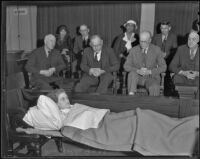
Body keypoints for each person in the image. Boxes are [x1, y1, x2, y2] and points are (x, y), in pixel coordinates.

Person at [16, 89, 199, 156]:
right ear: (56, 105)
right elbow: (60, 132)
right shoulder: (63, 122)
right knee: (148, 125)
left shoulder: (73, 108)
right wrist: (32, 132)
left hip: (111, 118)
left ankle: (187, 126)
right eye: (62, 100)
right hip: (110, 129)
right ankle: (187, 136)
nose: (66, 101)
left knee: (150, 117)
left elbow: (97, 114)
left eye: (65, 98)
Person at [124, 31, 167, 96]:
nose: (142, 44)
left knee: (154, 87)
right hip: (137, 78)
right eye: (141, 41)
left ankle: (152, 105)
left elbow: (164, 67)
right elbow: (126, 66)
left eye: (145, 41)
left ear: (150, 40)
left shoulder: (156, 50)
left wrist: (150, 71)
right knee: (132, 74)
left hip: (151, 77)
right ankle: (131, 97)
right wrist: (137, 71)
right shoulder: (133, 50)